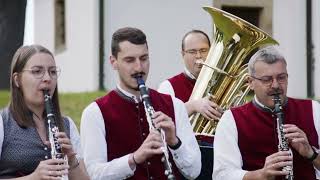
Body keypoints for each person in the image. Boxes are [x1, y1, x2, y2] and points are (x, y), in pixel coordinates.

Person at [80, 27, 201, 180]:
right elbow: (94, 174)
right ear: (113, 62)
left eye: (144, 58)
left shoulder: (175, 105)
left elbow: (194, 171)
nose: (139, 67)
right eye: (130, 60)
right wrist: (134, 158)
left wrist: (174, 142)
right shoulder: (95, 113)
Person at [212, 46, 320, 180]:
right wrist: (260, 175)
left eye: (281, 78)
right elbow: (222, 175)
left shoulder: (313, 109)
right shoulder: (231, 119)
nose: (275, 85)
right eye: (267, 79)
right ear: (250, 83)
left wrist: (311, 153)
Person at [0, 45, 89, 180]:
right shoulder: (3, 123)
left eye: (52, 72)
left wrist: (71, 160)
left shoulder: (67, 124)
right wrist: (33, 177)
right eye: (37, 71)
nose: (48, 78)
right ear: (17, 80)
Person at [158, 29, 223, 179]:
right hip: (185, 162)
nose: (199, 56)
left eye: (203, 50)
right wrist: (193, 106)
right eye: (192, 51)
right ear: (183, 54)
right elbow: (162, 123)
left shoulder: (223, 84)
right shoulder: (168, 86)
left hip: (218, 159)